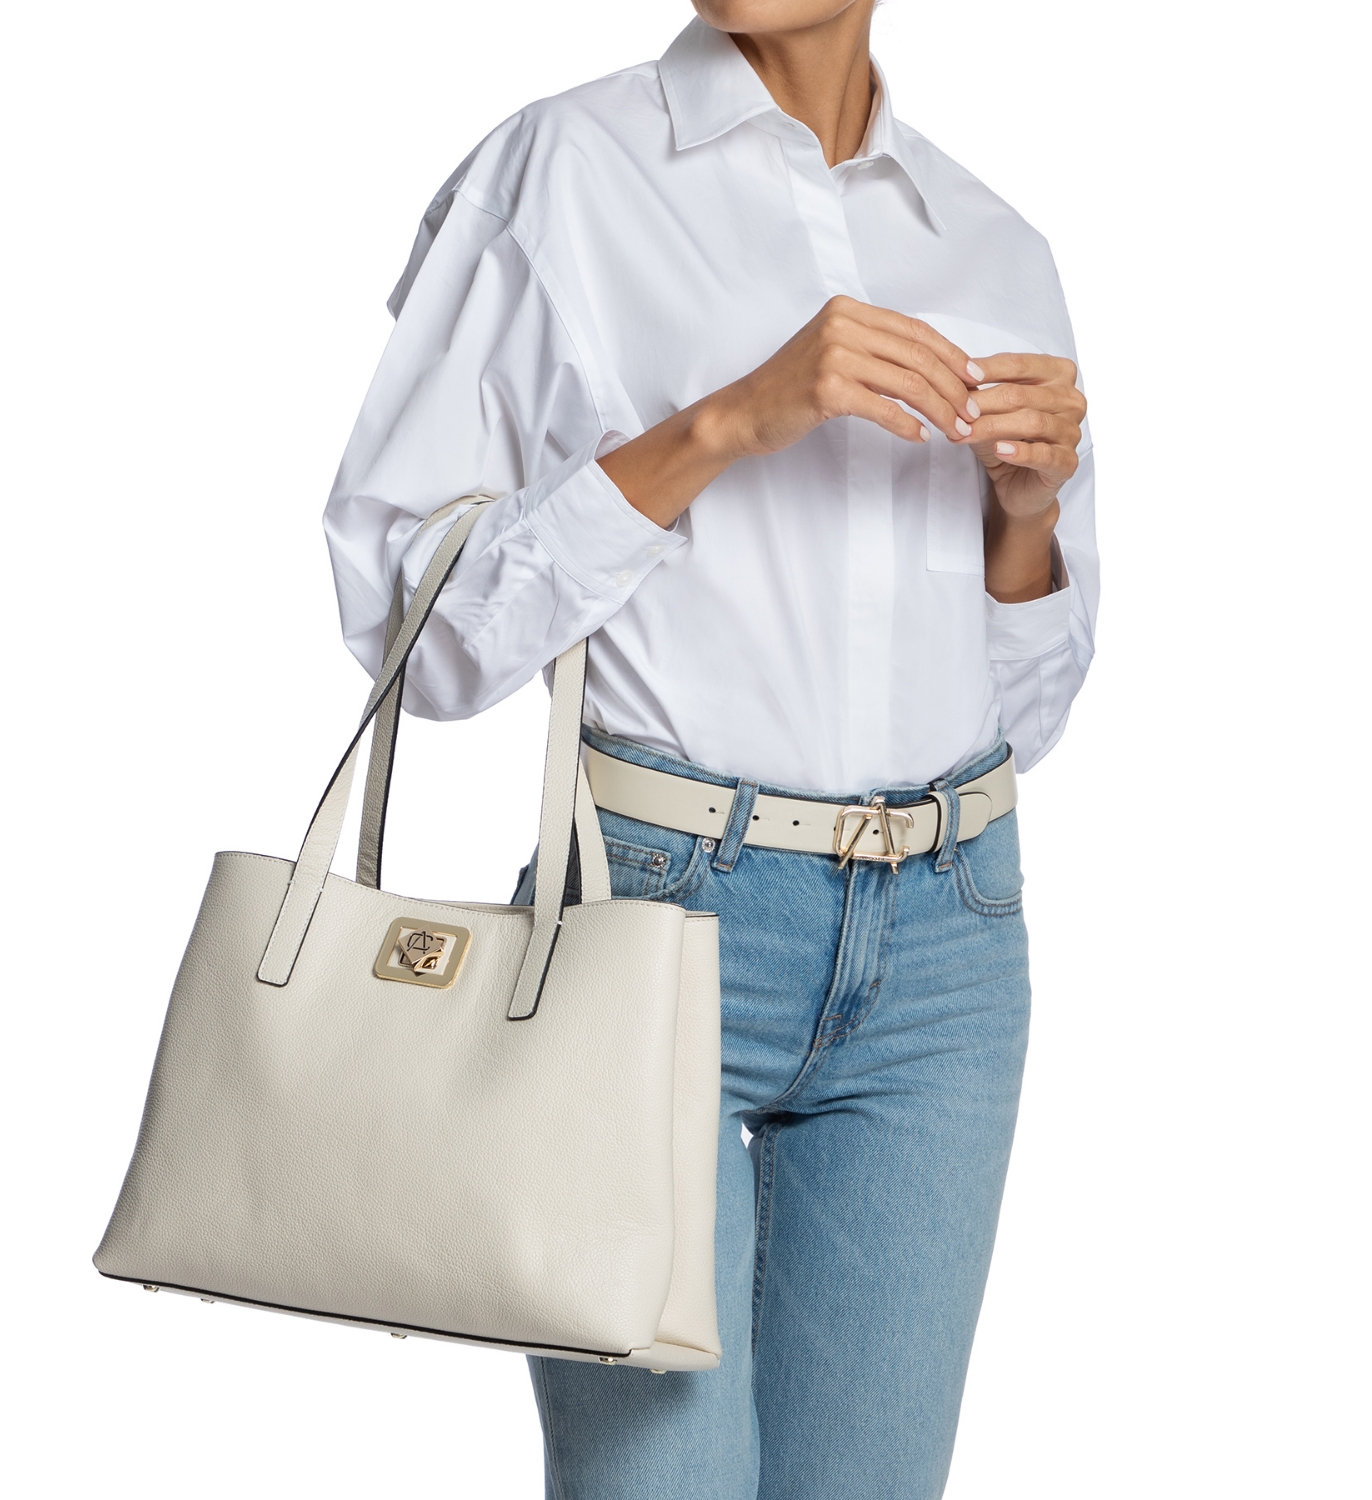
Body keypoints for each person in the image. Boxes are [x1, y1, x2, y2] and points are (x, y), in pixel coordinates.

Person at [324, 1, 1096, 1494]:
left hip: (947, 951)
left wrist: (1027, 519)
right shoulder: (561, 171)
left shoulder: (996, 245)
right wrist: (726, 422)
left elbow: (1030, 718)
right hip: (650, 911)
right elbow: (413, 627)